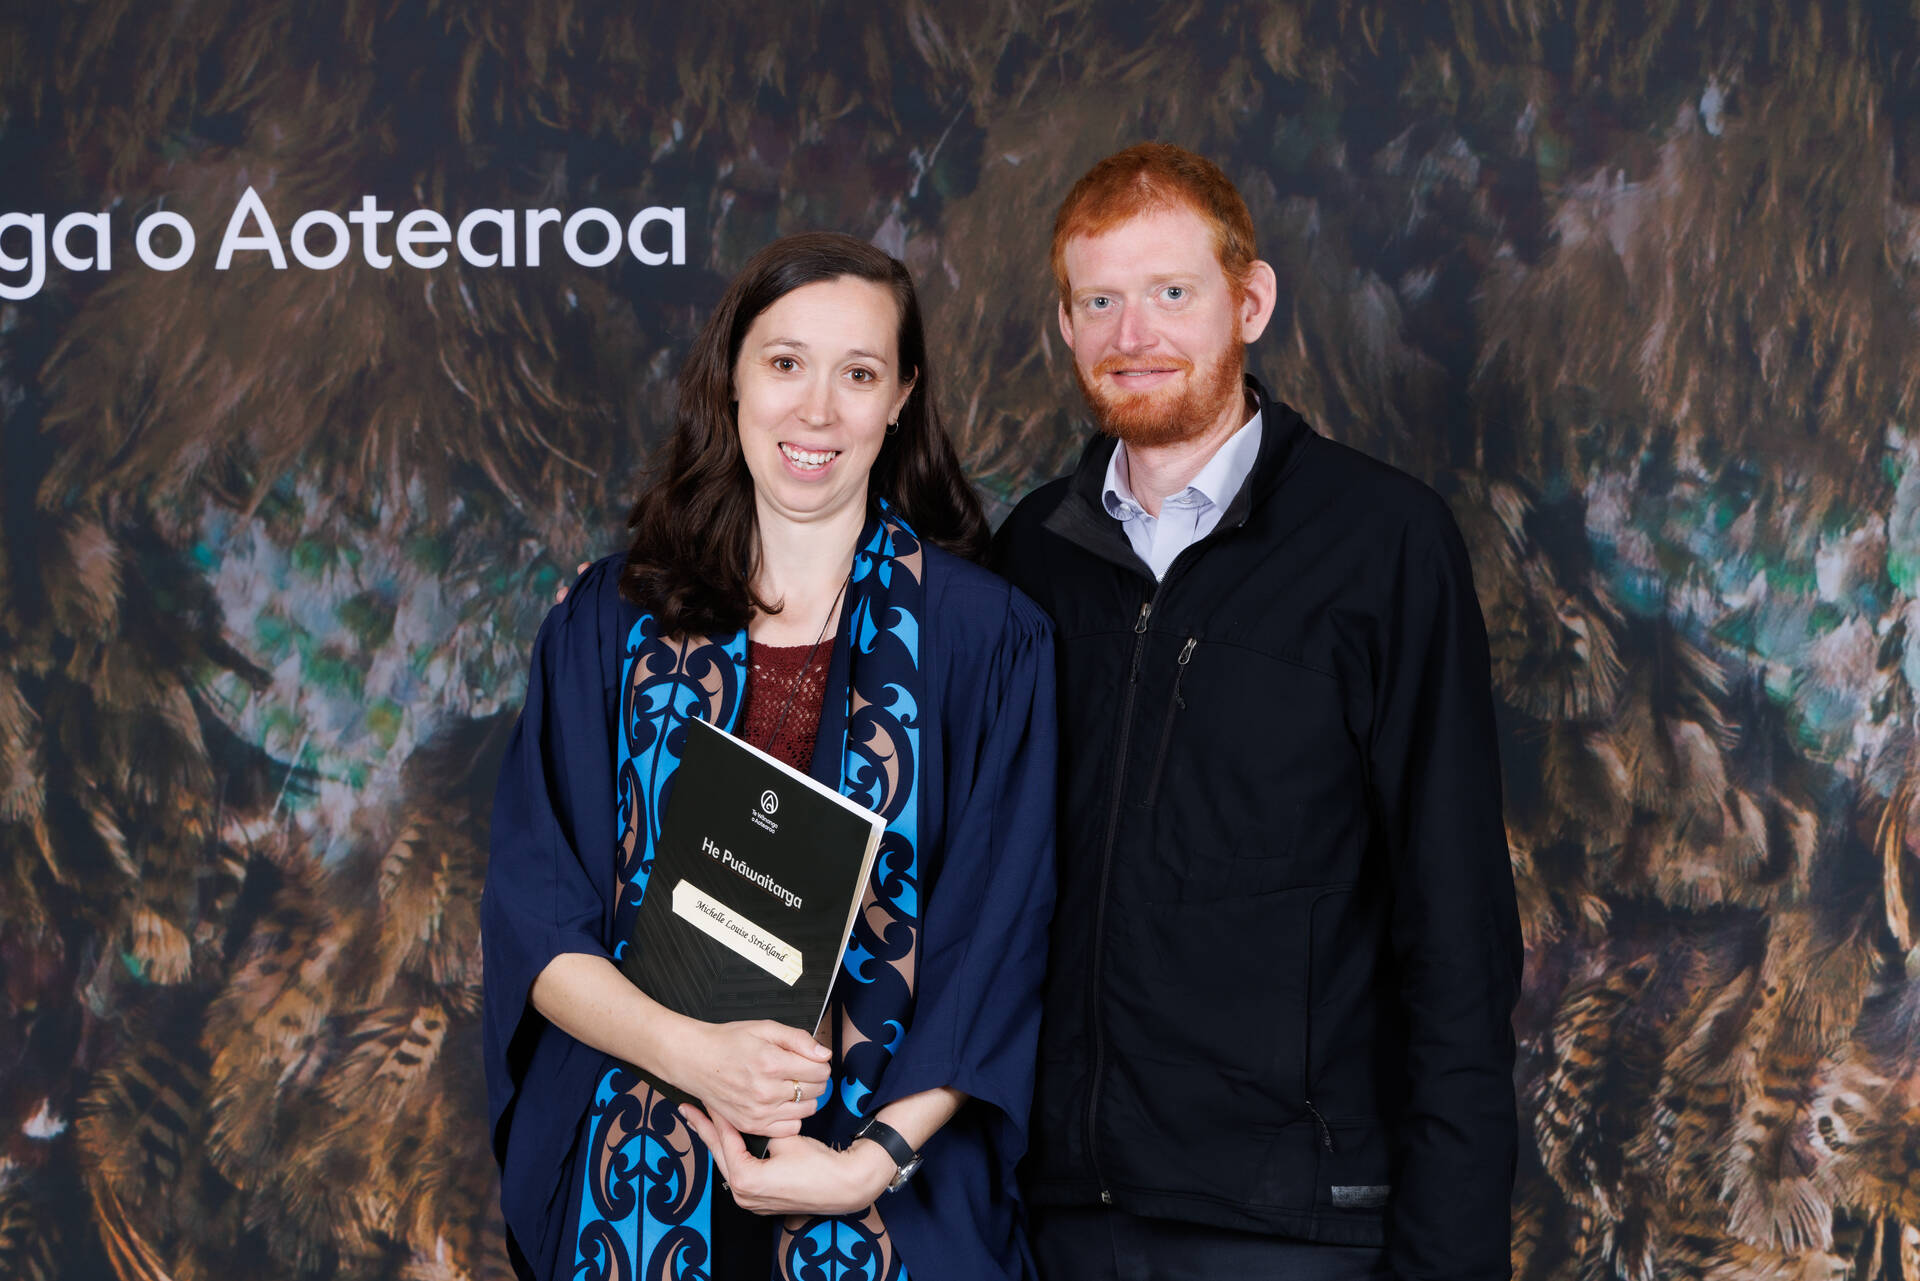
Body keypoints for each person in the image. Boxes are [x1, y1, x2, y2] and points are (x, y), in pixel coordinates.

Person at [482, 232, 1058, 1281]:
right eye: (786, 363)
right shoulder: (608, 624)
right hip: (636, 1168)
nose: (817, 411)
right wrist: (697, 1056)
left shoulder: (986, 642)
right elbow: (538, 916)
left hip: (887, 1192)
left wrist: (869, 1162)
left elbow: (997, 942)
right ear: (732, 378)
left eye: (859, 374)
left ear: (902, 397)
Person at [992, 144, 1522, 1280]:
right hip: (1060, 1218)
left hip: (1293, 1227)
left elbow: (1459, 930)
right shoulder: (1030, 556)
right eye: (1101, 301)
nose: (1134, 333)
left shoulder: (1382, 543)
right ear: (1068, 325)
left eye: (1171, 291)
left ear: (1250, 301)